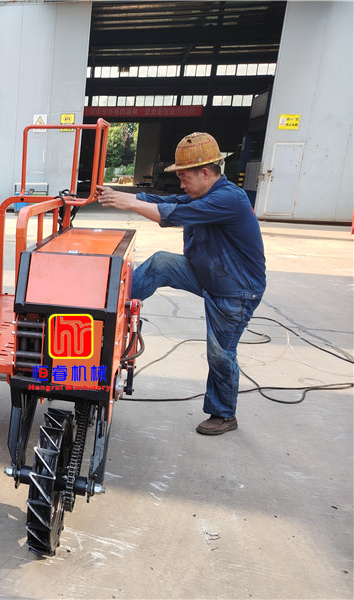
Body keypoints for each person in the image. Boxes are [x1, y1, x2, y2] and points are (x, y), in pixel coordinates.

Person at [96, 132, 266, 436]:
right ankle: (108, 309)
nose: (182, 185)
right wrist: (121, 196)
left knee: (220, 352)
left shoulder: (229, 199)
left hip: (235, 288)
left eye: (185, 177)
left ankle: (224, 414)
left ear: (205, 173)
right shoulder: (203, 195)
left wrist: (127, 202)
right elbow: (166, 201)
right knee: (161, 262)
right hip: (209, 272)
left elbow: (173, 214)